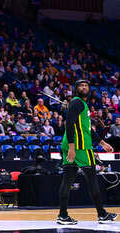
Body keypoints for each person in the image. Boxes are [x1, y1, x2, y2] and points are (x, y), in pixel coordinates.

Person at [57, 79, 117, 225]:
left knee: (67, 180)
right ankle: (102, 214)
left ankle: (63, 215)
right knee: (92, 180)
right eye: (80, 85)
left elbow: (87, 129)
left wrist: (102, 143)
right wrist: (72, 147)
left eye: (86, 85)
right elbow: (69, 124)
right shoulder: (77, 103)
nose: (84, 87)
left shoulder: (80, 104)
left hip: (73, 144)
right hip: (80, 147)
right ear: (76, 88)